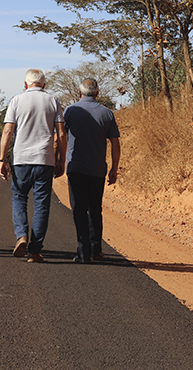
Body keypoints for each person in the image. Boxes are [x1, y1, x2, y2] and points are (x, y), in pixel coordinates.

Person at [0, 68, 66, 263]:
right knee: (42, 204)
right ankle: (35, 251)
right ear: (44, 84)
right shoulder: (53, 101)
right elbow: (61, 134)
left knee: (19, 197)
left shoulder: (16, 100)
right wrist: (61, 159)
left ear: (25, 84)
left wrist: (3, 159)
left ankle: (22, 236)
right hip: (45, 160)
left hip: (21, 159)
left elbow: (7, 132)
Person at [63, 78, 120, 264]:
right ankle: (96, 250)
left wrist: (58, 160)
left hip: (76, 168)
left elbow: (60, 137)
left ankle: (83, 252)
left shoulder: (70, 111)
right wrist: (114, 169)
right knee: (95, 209)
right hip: (97, 170)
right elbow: (115, 143)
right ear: (97, 93)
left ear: (79, 93)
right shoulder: (107, 113)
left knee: (79, 209)